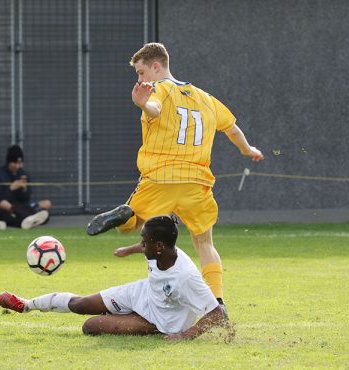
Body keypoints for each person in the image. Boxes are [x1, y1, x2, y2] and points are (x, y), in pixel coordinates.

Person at [86, 43, 264, 316]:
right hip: (197, 182)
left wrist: (143, 104)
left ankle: (126, 214)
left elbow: (155, 107)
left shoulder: (159, 89)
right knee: (205, 243)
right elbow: (232, 129)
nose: (139, 79)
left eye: (141, 72)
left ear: (156, 66)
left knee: (131, 226)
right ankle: (218, 303)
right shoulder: (207, 98)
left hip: (161, 177)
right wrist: (248, 150)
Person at [0, 216, 224, 340]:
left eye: (143, 242)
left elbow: (218, 314)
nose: (141, 244)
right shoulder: (158, 251)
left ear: (159, 246)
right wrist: (129, 249)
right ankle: (26, 304)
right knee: (80, 304)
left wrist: (185, 335)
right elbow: (145, 246)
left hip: (159, 321)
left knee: (90, 326)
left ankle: (124, 318)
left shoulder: (185, 276)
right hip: (142, 294)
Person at [0, 144, 50, 230]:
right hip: (8, 208)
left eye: (20, 163)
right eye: (14, 163)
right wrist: (11, 188)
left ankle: (28, 219)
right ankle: (30, 217)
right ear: (9, 162)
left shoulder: (23, 174)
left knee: (47, 203)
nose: (17, 166)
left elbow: (26, 199)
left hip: (21, 206)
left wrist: (24, 189)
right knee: (4, 205)